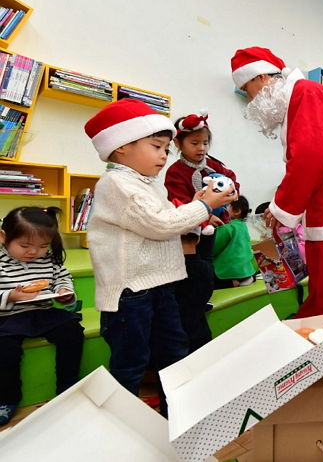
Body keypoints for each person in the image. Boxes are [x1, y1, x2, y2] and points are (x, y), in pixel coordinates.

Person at [84, 98, 234, 417]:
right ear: (122, 146)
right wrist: (204, 207)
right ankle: (120, 425)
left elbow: (170, 223)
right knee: (131, 364)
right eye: (157, 147)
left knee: (174, 354)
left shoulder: (148, 185)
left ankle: (173, 418)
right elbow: (160, 224)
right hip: (131, 294)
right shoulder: (117, 184)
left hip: (162, 287)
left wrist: (198, 209)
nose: (164, 155)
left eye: (166, 148)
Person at [230, 46, 323, 318]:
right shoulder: (300, 97)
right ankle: (312, 333)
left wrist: (281, 207)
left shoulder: (306, 92)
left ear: (260, 78)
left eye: (247, 89)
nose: (250, 99)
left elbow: (311, 156)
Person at [165, 110, 240, 352]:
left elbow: (232, 181)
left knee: (206, 265)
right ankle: (194, 302)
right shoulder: (176, 172)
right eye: (194, 143)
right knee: (194, 270)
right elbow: (179, 202)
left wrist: (230, 193)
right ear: (178, 143)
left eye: (205, 143)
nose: (201, 148)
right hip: (189, 232)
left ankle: (201, 298)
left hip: (213, 229)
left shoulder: (215, 165)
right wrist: (204, 215)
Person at [0, 207, 83, 426]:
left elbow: (63, 279)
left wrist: (66, 294)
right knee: (5, 350)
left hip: (43, 312)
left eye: (43, 246)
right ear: (3, 237)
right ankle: (7, 399)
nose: (34, 252)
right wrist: (11, 295)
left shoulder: (49, 260)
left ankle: (67, 387)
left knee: (72, 332)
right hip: (8, 317)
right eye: (25, 246)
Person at [212, 196, 257, 289]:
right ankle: (247, 278)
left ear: (237, 211)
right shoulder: (243, 227)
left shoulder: (227, 227)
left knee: (207, 279)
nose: (222, 209)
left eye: (226, 206)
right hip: (246, 269)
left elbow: (213, 249)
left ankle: (232, 282)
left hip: (229, 272)